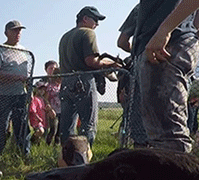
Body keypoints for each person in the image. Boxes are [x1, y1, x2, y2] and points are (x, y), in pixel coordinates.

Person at [134, 0, 199, 153]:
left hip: (166, 46)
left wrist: (166, 29)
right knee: (162, 137)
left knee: (169, 140)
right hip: (161, 44)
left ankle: (179, 176)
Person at [58, 6, 120, 147]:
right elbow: (91, 61)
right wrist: (110, 64)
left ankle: (66, 159)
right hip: (83, 81)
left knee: (67, 125)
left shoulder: (65, 36)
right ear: (85, 19)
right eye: (95, 20)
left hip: (66, 81)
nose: (97, 24)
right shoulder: (87, 33)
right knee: (88, 124)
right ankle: (84, 159)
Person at [0, 20, 31, 156]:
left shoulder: (24, 51)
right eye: (14, 30)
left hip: (20, 94)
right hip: (4, 95)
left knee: (22, 124)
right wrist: (16, 78)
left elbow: (27, 73)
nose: (18, 33)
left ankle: (23, 153)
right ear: (6, 32)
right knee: (1, 125)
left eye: (19, 30)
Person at [116, 4, 148, 148]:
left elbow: (122, 42)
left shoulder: (141, 7)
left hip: (143, 63)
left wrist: (138, 51)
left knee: (138, 121)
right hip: (176, 63)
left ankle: (140, 158)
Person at [43, 61, 61, 145]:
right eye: (51, 68)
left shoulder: (62, 85)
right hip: (53, 110)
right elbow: (46, 99)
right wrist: (50, 109)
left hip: (62, 110)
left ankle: (56, 146)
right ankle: (47, 144)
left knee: (60, 130)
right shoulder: (49, 85)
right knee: (53, 129)